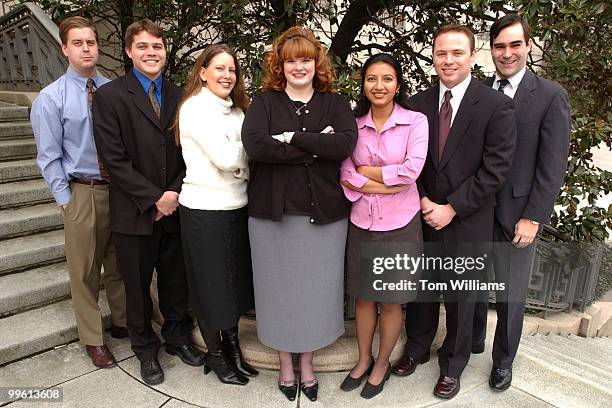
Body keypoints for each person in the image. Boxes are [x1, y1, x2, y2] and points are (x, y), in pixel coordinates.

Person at [391, 24, 516, 399]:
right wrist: (426, 201)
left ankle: (454, 364)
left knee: (462, 296)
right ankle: (417, 348)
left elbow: (496, 168)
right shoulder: (417, 104)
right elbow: (407, 159)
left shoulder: (497, 106)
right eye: (441, 53)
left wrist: (453, 208)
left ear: (473, 56)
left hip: (469, 218)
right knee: (423, 289)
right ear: (433, 57)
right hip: (423, 213)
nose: (449, 60)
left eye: (457, 53)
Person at [241, 26, 357, 402]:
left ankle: (306, 362)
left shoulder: (335, 104)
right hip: (270, 216)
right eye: (291, 60)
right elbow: (256, 146)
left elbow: (343, 144)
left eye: (306, 59)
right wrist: (314, 145)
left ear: (316, 62)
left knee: (315, 294)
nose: (299, 66)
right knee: (277, 293)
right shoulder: (264, 103)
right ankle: (284, 363)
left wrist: (291, 138)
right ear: (280, 65)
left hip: (323, 215)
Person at [92, 19, 204, 386]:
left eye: (157, 46)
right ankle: (144, 349)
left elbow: (190, 151)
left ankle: (176, 338)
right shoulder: (109, 97)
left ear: (165, 51)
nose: (151, 53)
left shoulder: (180, 96)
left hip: (175, 207)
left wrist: (172, 193)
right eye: (142, 47)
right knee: (137, 288)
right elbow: (114, 160)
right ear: (128, 51)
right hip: (133, 211)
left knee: (175, 281)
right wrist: (154, 198)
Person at [472, 14, 570, 392]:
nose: (507, 53)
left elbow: (552, 164)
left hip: (518, 215)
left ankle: (503, 361)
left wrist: (534, 216)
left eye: (515, 44)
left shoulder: (549, 95)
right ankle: (473, 340)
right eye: (499, 46)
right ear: (490, 50)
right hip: (478, 210)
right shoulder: (478, 90)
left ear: (528, 46)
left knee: (510, 295)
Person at [30, 16, 127, 369]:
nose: (86, 48)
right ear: (64, 49)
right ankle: (93, 340)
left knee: (120, 263)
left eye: (91, 42)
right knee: (85, 272)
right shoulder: (50, 98)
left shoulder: (114, 89)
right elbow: (49, 157)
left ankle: (122, 322)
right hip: (82, 192)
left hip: (118, 191)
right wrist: (66, 202)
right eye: (78, 43)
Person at [338, 53, 428, 399]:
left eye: (387, 79)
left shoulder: (415, 122)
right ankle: (363, 360)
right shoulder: (353, 125)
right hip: (362, 222)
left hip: (400, 224)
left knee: (391, 301)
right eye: (372, 78)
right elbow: (345, 174)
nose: (379, 85)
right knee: (363, 298)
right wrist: (384, 180)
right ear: (363, 84)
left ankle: (382, 363)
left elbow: (411, 172)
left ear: (398, 85)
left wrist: (368, 174)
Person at [175, 44, 257, 386]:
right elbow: (229, 158)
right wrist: (241, 162)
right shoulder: (194, 109)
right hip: (204, 212)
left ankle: (234, 349)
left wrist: (240, 163)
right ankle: (217, 355)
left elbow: (245, 157)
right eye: (219, 68)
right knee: (210, 290)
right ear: (203, 72)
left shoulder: (238, 113)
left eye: (232, 70)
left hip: (237, 208)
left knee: (233, 288)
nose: (227, 75)